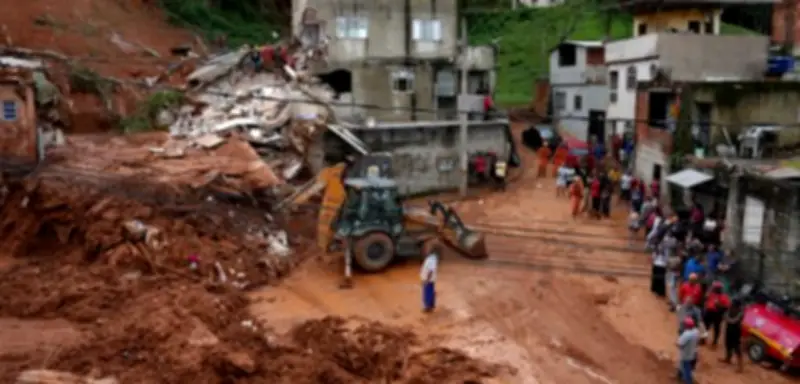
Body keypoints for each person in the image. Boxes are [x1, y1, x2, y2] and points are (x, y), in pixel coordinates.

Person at [703, 281, 731, 347]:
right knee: (705, 326)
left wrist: (719, 305)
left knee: (716, 328)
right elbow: (705, 299)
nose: (714, 288)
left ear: (719, 288)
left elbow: (727, 307)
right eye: (714, 287)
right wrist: (706, 297)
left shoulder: (724, 296)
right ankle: (703, 339)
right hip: (709, 312)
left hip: (717, 314)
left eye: (716, 288)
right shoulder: (710, 293)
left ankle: (715, 341)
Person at [721, 298, 744, 371]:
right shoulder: (730, 309)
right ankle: (728, 359)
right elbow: (725, 316)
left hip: (736, 331)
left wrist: (728, 319)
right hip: (729, 329)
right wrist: (728, 319)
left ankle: (740, 366)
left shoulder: (741, 312)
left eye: (733, 304)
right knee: (727, 344)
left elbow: (734, 320)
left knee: (737, 348)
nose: (731, 304)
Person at [677, 317, 701, 384]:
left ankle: (688, 381)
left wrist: (676, 343)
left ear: (686, 325)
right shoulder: (696, 331)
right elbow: (698, 341)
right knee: (687, 366)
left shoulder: (686, 334)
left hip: (686, 354)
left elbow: (680, 345)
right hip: (693, 353)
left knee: (686, 368)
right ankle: (680, 376)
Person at [420, 244, 440, 313]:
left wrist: (427, 280)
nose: (426, 250)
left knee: (427, 293)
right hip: (430, 279)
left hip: (428, 279)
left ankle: (427, 307)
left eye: (427, 249)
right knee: (430, 292)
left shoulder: (431, 259)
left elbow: (431, 270)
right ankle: (431, 306)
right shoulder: (432, 258)